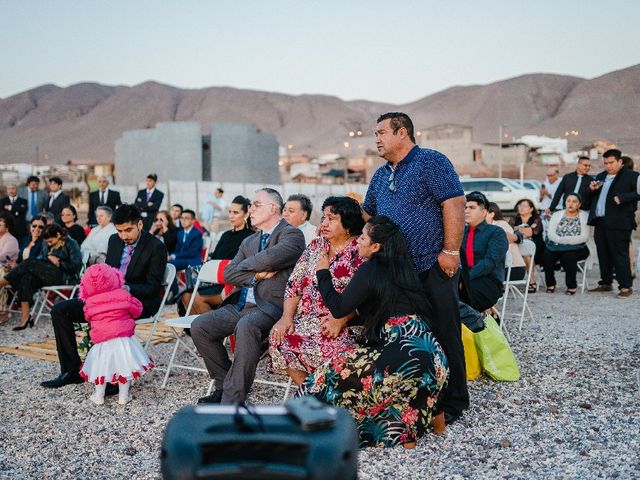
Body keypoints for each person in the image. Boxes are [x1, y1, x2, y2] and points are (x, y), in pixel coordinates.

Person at [298, 215, 448, 448]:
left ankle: (311, 425)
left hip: (399, 354)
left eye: (364, 237)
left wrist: (323, 272)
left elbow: (338, 308)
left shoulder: (370, 269)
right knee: (401, 379)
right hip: (433, 356)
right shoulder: (404, 269)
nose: (358, 240)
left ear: (376, 246)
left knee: (330, 373)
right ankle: (432, 425)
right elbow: (384, 309)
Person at [362, 112, 467, 425]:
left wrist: (450, 251)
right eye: (375, 134)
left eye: (381, 133)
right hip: (396, 272)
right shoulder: (381, 175)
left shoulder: (431, 162)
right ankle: (417, 397)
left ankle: (455, 401)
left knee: (445, 331)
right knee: (409, 335)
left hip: (432, 263)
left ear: (402, 132)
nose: (376, 139)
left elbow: (454, 203)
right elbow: (369, 214)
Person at [191, 188, 305, 405]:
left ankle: (232, 400)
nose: (250, 210)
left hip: (270, 307)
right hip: (240, 304)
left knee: (246, 326)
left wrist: (246, 267)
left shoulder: (292, 235)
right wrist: (258, 275)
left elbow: (271, 257)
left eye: (256, 205)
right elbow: (228, 273)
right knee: (200, 326)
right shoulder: (249, 241)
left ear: (273, 208)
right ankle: (225, 387)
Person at [41, 204, 167, 389]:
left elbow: (152, 287)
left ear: (140, 224)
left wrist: (126, 288)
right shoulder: (114, 241)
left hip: (138, 301)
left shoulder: (156, 247)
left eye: (128, 230)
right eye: (120, 231)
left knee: (108, 314)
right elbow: (106, 273)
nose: (124, 236)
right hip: (107, 299)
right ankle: (71, 371)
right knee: (61, 310)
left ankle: (115, 379)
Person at [270, 196, 365, 385]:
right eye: (324, 218)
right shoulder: (316, 246)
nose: (325, 223)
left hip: (340, 321)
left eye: (332, 218)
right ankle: (313, 396)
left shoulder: (359, 250)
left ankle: (321, 396)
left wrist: (342, 319)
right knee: (278, 338)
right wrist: (286, 317)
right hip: (305, 319)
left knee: (335, 350)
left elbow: (366, 294)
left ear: (348, 223)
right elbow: (294, 284)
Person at [78, 264, 154, 405]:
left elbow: (88, 317)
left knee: (100, 367)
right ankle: (123, 396)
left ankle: (99, 396)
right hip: (123, 340)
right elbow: (137, 310)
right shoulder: (124, 295)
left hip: (102, 341)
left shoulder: (89, 302)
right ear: (114, 277)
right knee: (124, 366)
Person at [180, 196, 254, 315]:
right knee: (185, 295)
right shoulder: (225, 235)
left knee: (197, 298)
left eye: (235, 213)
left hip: (232, 283)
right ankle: (199, 329)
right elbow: (214, 258)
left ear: (246, 215)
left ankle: (211, 329)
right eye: (230, 212)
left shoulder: (251, 237)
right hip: (214, 280)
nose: (231, 216)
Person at [0, 224, 82, 331]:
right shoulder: (46, 243)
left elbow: (75, 267)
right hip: (47, 273)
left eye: (50, 241)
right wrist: (48, 257)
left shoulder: (71, 243)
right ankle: (25, 317)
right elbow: (42, 257)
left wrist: (59, 262)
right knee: (26, 278)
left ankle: (2, 282)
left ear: (58, 235)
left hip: (64, 277)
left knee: (29, 262)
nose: (48, 244)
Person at [585, 149, 638, 298]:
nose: (608, 166)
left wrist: (624, 197)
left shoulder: (632, 176)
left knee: (620, 254)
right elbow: (589, 199)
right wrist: (591, 190)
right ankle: (606, 283)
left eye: (611, 162)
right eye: (605, 163)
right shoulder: (600, 176)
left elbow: (638, 193)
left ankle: (625, 286)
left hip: (620, 222)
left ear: (620, 161)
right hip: (600, 221)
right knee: (603, 253)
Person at [462, 192, 508, 312]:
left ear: (483, 212)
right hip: (463, 279)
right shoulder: (460, 233)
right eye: (465, 207)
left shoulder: (496, 232)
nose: (466, 211)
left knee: (463, 293)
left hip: (488, 281)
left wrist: (465, 279)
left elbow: (489, 262)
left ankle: (476, 324)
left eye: (471, 207)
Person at [541, 193, 590, 294]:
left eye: (574, 201)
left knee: (569, 256)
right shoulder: (557, 215)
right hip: (557, 247)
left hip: (579, 248)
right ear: (565, 203)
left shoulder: (585, 216)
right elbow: (551, 234)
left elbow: (584, 237)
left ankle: (571, 285)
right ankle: (551, 283)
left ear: (579, 205)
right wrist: (564, 241)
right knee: (546, 255)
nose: (571, 204)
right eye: (568, 201)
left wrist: (565, 241)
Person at [510, 198, 544, 292]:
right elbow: (509, 232)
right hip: (518, 247)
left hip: (536, 248)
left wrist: (518, 229)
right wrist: (524, 230)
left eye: (524, 206)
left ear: (531, 209)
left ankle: (531, 280)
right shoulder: (514, 219)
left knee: (527, 255)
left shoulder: (536, 219)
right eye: (519, 206)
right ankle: (531, 281)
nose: (521, 208)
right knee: (523, 254)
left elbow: (532, 233)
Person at [487, 202, 526, 281]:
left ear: (491, 214)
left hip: (513, 268)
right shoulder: (485, 227)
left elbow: (499, 245)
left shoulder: (501, 225)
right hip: (500, 268)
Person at [0, 214, 20, 323]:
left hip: (9, 271)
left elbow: (3, 257)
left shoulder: (11, 240)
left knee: (1, 273)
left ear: (7, 228)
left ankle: (3, 311)